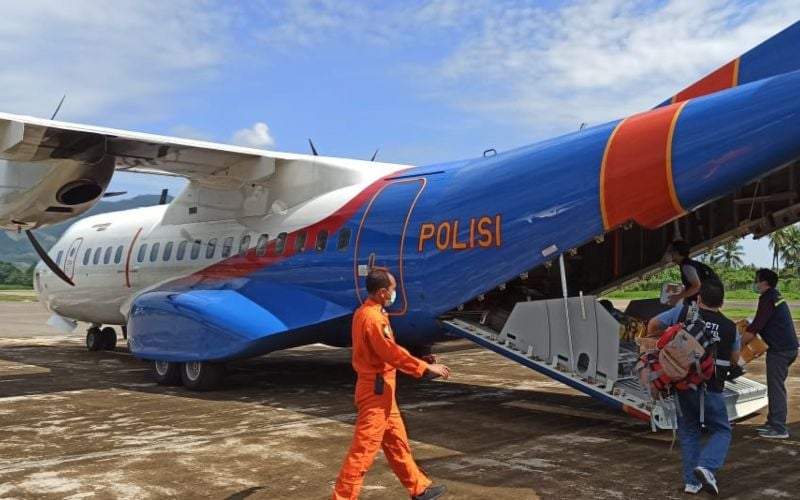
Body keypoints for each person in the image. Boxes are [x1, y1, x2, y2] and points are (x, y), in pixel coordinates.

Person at [333, 268, 450, 500]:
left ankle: (419, 489)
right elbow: (391, 353)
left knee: (397, 443)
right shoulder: (374, 319)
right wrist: (425, 368)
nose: (395, 292)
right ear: (383, 292)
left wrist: (421, 360)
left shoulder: (367, 312)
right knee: (363, 451)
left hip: (383, 391)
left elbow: (384, 352)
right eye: (393, 289)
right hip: (375, 394)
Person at [646, 278, 737, 496]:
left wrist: (659, 346)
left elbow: (654, 324)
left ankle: (691, 482)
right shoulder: (730, 327)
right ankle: (706, 467)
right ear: (722, 302)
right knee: (722, 430)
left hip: (683, 384)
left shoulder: (683, 313)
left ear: (699, 298)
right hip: (712, 387)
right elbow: (735, 359)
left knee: (688, 431)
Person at [741, 268, 798, 439]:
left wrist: (737, 344)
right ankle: (773, 421)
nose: (755, 284)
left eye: (757, 280)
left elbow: (757, 326)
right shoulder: (774, 296)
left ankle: (779, 427)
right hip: (787, 347)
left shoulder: (767, 299)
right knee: (776, 387)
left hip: (780, 350)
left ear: (764, 282)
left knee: (776, 389)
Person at [663, 240, 717, 306]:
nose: (668, 254)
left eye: (670, 252)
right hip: (708, 301)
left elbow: (696, 286)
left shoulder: (686, 266)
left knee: (691, 316)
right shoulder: (692, 264)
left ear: (676, 253)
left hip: (701, 303)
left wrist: (677, 297)